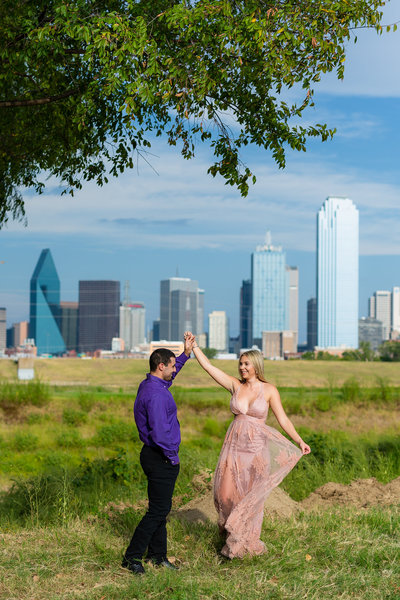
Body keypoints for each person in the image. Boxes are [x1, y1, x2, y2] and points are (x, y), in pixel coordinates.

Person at [190, 339, 311, 559]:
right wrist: (195, 347)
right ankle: (232, 534)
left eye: (246, 364)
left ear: (256, 366)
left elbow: (282, 419)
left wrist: (299, 440)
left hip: (256, 452)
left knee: (249, 499)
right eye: (240, 364)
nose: (242, 367)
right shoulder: (236, 386)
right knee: (225, 495)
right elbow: (209, 367)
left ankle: (240, 545)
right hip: (234, 450)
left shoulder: (269, 390)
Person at [122, 333, 195, 575]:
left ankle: (157, 555)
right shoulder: (155, 394)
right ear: (161, 366)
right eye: (172, 366)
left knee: (161, 509)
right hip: (160, 456)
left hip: (155, 455)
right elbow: (160, 432)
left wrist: (185, 354)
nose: (175, 370)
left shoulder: (153, 384)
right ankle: (132, 557)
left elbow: (170, 376)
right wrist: (172, 456)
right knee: (157, 512)